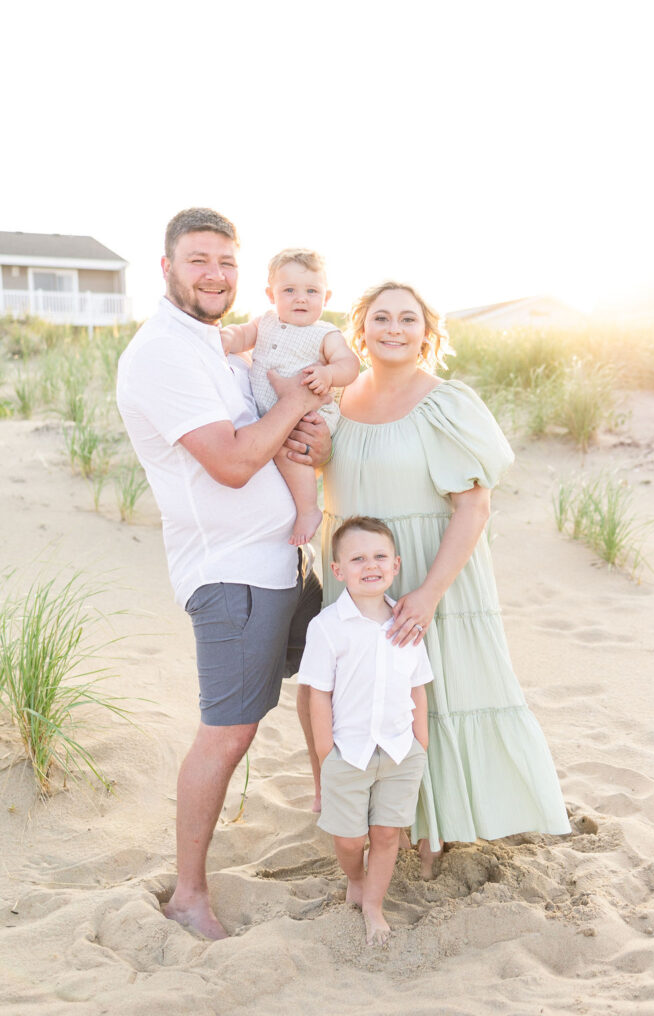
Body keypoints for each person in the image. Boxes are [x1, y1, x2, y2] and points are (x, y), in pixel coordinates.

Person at [293, 281, 571, 877]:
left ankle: (432, 828)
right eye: (381, 318)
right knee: (359, 694)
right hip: (357, 574)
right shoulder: (339, 401)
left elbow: (475, 507)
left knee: (435, 697)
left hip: (430, 568)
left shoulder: (446, 403)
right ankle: (359, 811)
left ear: (427, 333)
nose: (394, 329)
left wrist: (426, 594)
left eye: (409, 320)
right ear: (359, 330)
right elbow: (328, 477)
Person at [116, 208, 327, 939]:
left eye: (226, 262)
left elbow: (265, 429)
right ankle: (188, 895)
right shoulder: (161, 355)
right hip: (231, 574)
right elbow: (235, 463)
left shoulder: (211, 344)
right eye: (198, 260)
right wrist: (299, 399)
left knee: (323, 682)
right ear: (168, 267)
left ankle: (332, 816)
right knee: (226, 734)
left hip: (279, 562)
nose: (214, 274)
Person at [298, 516, 433, 945]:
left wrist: (420, 744)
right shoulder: (327, 628)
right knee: (350, 838)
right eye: (357, 558)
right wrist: (325, 753)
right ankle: (355, 878)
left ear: (395, 565)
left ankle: (374, 905)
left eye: (378, 557)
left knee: (387, 834)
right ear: (338, 571)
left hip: (399, 749)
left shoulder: (407, 623)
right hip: (347, 751)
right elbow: (317, 693)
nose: (369, 565)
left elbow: (419, 687)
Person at [221, 249, 359, 545]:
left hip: (308, 414)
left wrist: (328, 375)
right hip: (272, 411)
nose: (301, 298)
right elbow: (244, 335)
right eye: (289, 290)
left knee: (290, 449)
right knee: (268, 443)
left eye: (312, 291)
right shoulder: (265, 321)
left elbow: (350, 365)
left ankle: (308, 510)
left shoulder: (325, 333)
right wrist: (229, 338)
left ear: (327, 296)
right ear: (271, 295)